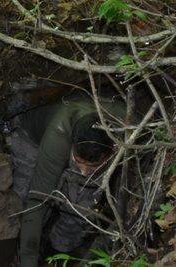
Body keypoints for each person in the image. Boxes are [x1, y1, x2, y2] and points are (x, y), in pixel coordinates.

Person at [7, 93, 128, 267]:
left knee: (82, 209)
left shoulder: (128, 130)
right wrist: (28, 260)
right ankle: (21, 244)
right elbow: (37, 199)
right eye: (79, 163)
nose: (84, 173)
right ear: (72, 145)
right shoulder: (58, 135)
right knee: (25, 197)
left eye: (92, 167)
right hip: (31, 138)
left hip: (93, 146)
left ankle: (61, 250)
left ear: (114, 149)